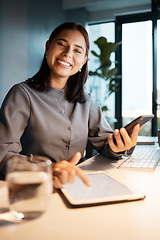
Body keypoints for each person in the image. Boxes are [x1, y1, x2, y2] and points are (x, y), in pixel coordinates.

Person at [0, 22, 140, 188]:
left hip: (77, 186)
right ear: (47, 47)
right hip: (34, 188)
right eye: (61, 44)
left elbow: (105, 143)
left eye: (77, 50)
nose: (67, 54)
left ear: (83, 61)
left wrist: (121, 145)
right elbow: (3, 155)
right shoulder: (22, 94)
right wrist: (45, 169)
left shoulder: (87, 101)